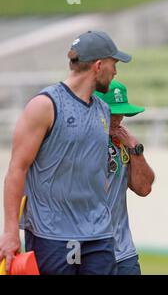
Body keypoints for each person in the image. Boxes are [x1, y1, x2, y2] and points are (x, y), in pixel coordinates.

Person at [0, 30, 131, 275]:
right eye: (114, 65)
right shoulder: (44, 106)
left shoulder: (103, 110)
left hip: (99, 235)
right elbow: (16, 170)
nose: (116, 72)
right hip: (52, 236)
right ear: (99, 65)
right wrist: (9, 233)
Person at [94, 80, 155, 275]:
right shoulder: (79, 145)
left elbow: (144, 188)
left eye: (121, 112)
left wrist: (135, 150)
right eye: (112, 112)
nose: (118, 118)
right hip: (88, 250)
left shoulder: (123, 144)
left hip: (123, 252)